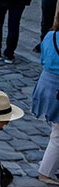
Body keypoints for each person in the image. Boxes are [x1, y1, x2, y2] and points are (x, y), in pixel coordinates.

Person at [33, 12, 59, 184]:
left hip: (46, 83)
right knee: (57, 135)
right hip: (57, 87)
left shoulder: (50, 35)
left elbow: (43, 60)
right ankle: (46, 172)